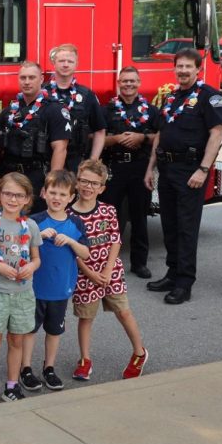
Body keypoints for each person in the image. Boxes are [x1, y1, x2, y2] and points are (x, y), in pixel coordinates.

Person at [143, 48, 222, 304]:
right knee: (169, 225)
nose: (182, 71)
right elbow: (160, 133)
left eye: (187, 67)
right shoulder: (171, 97)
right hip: (168, 168)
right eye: (179, 66)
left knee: (186, 228)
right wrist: (151, 167)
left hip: (191, 170)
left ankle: (184, 282)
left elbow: (216, 133)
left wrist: (203, 169)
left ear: (198, 69)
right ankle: (172, 273)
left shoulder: (209, 97)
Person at [72, 160, 149, 380]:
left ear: (102, 188)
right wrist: (90, 273)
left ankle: (139, 352)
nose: (88, 187)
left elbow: (116, 241)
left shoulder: (108, 210)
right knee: (86, 318)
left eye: (94, 183)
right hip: (85, 274)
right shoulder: (69, 215)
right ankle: (85, 359)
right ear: (77, 183)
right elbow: (72, 251)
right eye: (84, 181)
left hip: (110, 272)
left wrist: (106, 271)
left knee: (123, 312)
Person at [0, 172, 42, 405]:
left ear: (27, 199)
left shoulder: (31, 226)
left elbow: (36, 258)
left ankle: (12, 384)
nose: (13, 199)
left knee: (16, 341)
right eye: (8, 194)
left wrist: (31, 266)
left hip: (23, 294)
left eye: (18, 195)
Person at [21, 170, 89, 393]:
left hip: (61, 289)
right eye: (52, 192)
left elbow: (86, 253)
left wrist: (70, 241)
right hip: (35, 288)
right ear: (44, 193)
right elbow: (20, 248)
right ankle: (26, 368)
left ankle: (49, 367)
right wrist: (38, 234)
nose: (57, 198)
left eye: (62, 194)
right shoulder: (35, 221)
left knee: (54, 331)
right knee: (30, 330)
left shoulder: (76, 223)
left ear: (71, 197)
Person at [0, 62, 71, 212]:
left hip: (37, 177)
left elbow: (60, 149)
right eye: (23, 77)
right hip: (9, 176)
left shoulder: (54, 110)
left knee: (35, 224)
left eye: (31, 77)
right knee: (7, 223)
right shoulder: (9, 112)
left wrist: (51, 183)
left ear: (41, 79)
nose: (27, 82)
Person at [101, 66, 159, 279]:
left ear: (139, 82)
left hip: (140, 168)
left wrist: (141, 138)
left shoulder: (151, 110)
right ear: (118, 83)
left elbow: (160, 136)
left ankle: (139, 263)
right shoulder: (106, 110)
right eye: (124, 81)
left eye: (132, 81)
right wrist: (115, 139)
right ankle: (106, 262)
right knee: (109, 218)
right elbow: (94, 138)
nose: (128, 84)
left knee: (139, 217)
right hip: (113, 168)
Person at [45, 44, 106, 173]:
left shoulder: (87, 95)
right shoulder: (42, 93)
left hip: (76, 162)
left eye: (70, 61)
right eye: (61, 61)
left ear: (76, 64)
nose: (66, 65)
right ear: (54, 63)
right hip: (46, 160)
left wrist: (92, 162)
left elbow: (100, 131)